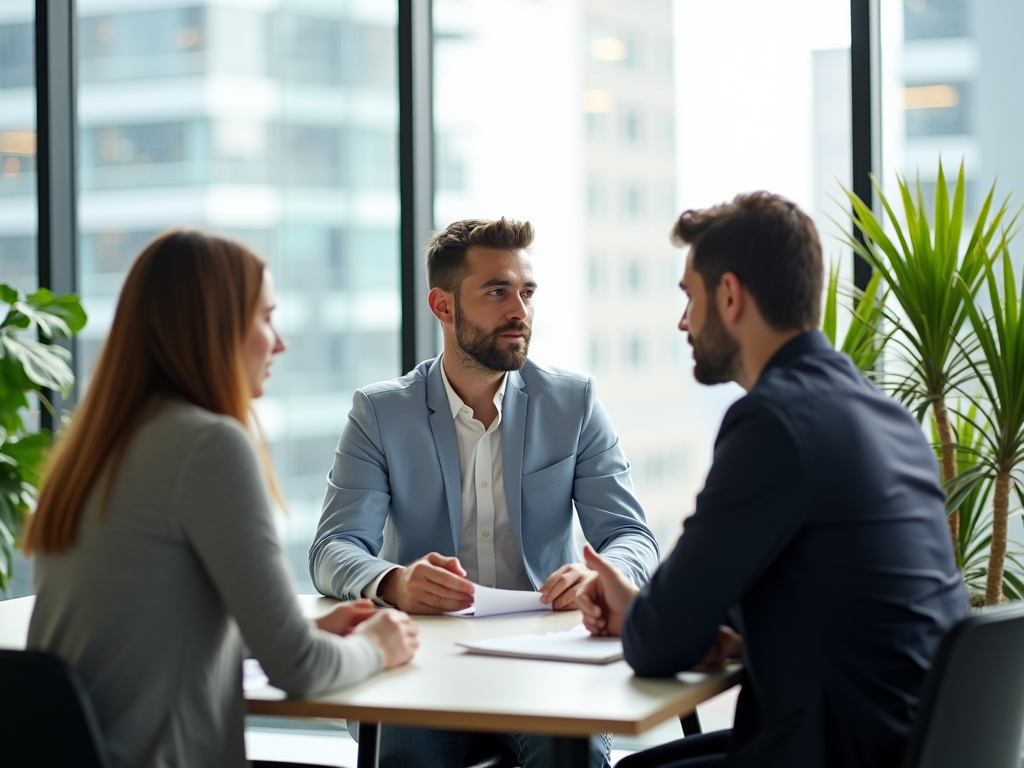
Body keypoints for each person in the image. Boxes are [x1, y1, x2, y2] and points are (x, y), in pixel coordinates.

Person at [577, 192, 970, 768]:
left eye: (690, 296)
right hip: (914, 742)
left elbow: (657, 643)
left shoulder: (773, 423)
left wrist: (649, 618)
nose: (682, 320)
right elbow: (820, 582)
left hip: (842, 749)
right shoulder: (885, 415)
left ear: (730, 295)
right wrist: (706, 627)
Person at [23, 230, 420, 768]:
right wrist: (380, 646)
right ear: (212, 328)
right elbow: (300, 671)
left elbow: (152, 627)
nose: (277, 342)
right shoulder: (209, 445)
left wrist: (295, 630)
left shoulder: (94, 447)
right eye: (264, 318)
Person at [309, 217, 659, 768]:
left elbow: (631, 536)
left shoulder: (574, 403)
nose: (518, 310)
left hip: (547, 661)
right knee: (405, 753)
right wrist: (393, 581)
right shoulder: (380, 413)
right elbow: (332, 549)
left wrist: (601, 573)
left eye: (526, 292)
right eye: (497, 292)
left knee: (573, 753)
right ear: (443, 307)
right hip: (425, 662)